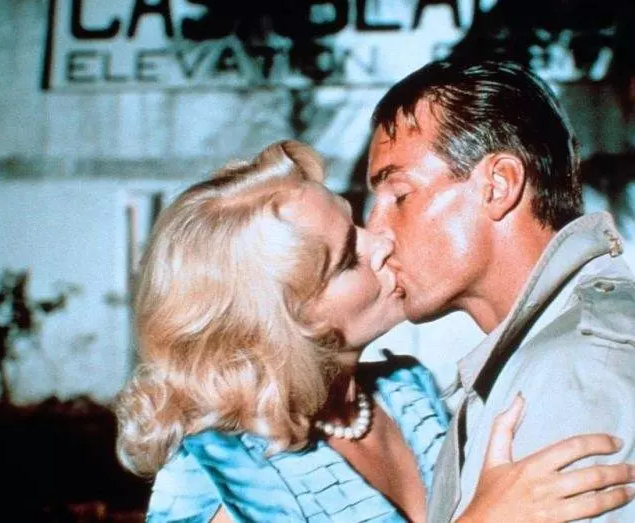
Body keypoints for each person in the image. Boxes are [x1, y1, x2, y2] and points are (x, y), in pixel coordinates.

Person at [115, 140, 633, 522]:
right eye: (347, 259)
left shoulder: (409, 392)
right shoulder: (222, 477)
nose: (382, 242)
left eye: (355, 224)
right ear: (284, 324)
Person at [366, 58, 635, 522]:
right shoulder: (551, 354)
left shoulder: (574, 371)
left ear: (499, 184)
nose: (376, 231)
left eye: (400, 195)